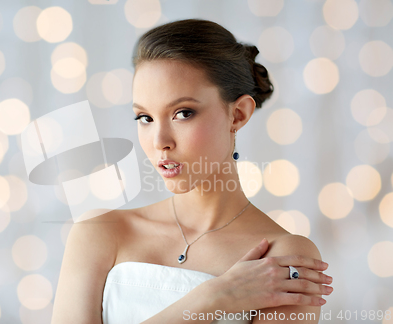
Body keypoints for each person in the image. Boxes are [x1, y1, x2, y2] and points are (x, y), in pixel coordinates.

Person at [51, 18, 333, 324]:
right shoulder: (99, 233)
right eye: (144, 118)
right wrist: (211, 300)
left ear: (237, 115)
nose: (160, 142)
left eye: (183, 113)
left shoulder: (281, 258)